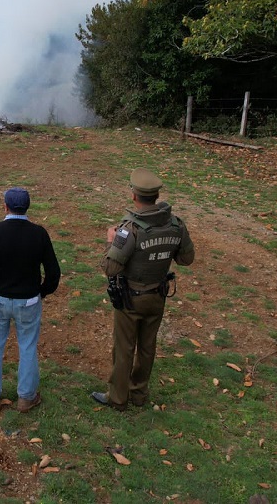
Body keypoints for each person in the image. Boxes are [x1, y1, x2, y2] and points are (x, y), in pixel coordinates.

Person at [93, 168, 195, 410]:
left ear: (134, 196)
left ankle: (118, 398)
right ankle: (139, 394)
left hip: (130, 299)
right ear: (156, 196)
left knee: (124, 348)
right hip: (157, 296)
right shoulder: (176, 225)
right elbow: (186, 259)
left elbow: (110, 267)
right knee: (148, 347)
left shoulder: (130, 229)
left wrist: (111, 240)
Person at [0, 187, 61, 413]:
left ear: (5, 206)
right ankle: (26, 397)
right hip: (28, 301)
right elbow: (53, 273)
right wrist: (41, 292)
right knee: (28, 346)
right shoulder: (39, 234)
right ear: (27, 207)